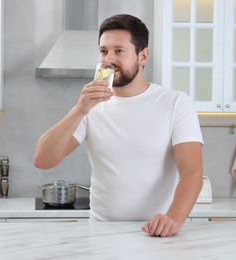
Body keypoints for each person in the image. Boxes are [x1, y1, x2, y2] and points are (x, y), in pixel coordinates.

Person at [34, 14, 204, 237]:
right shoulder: (90, 106)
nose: (108, 59)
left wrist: (172, 219)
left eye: (119, 51)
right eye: (103, 51)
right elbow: (43, 159)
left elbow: (192, 172)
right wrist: (80, 109)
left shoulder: (175, 102)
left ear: (143, 56)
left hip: (157, 234)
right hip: (102, 234)